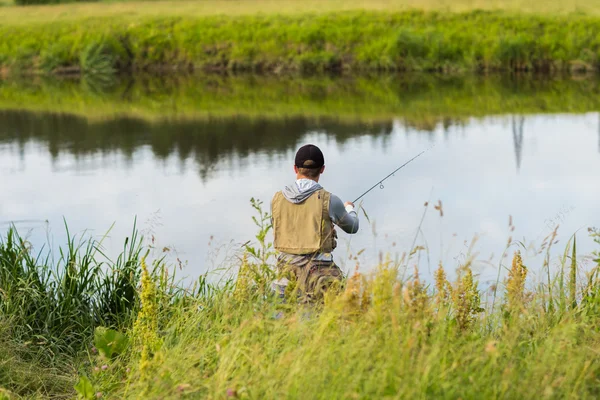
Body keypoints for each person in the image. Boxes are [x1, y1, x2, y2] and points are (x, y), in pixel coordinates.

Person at [271, 144, 359, 302]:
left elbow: (277, 226)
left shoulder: (277, 199)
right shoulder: (329, 200)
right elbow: (353, 227)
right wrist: (350, 209)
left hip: (286, 272)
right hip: (320, 276)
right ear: (322, 169)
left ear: (295, 169)